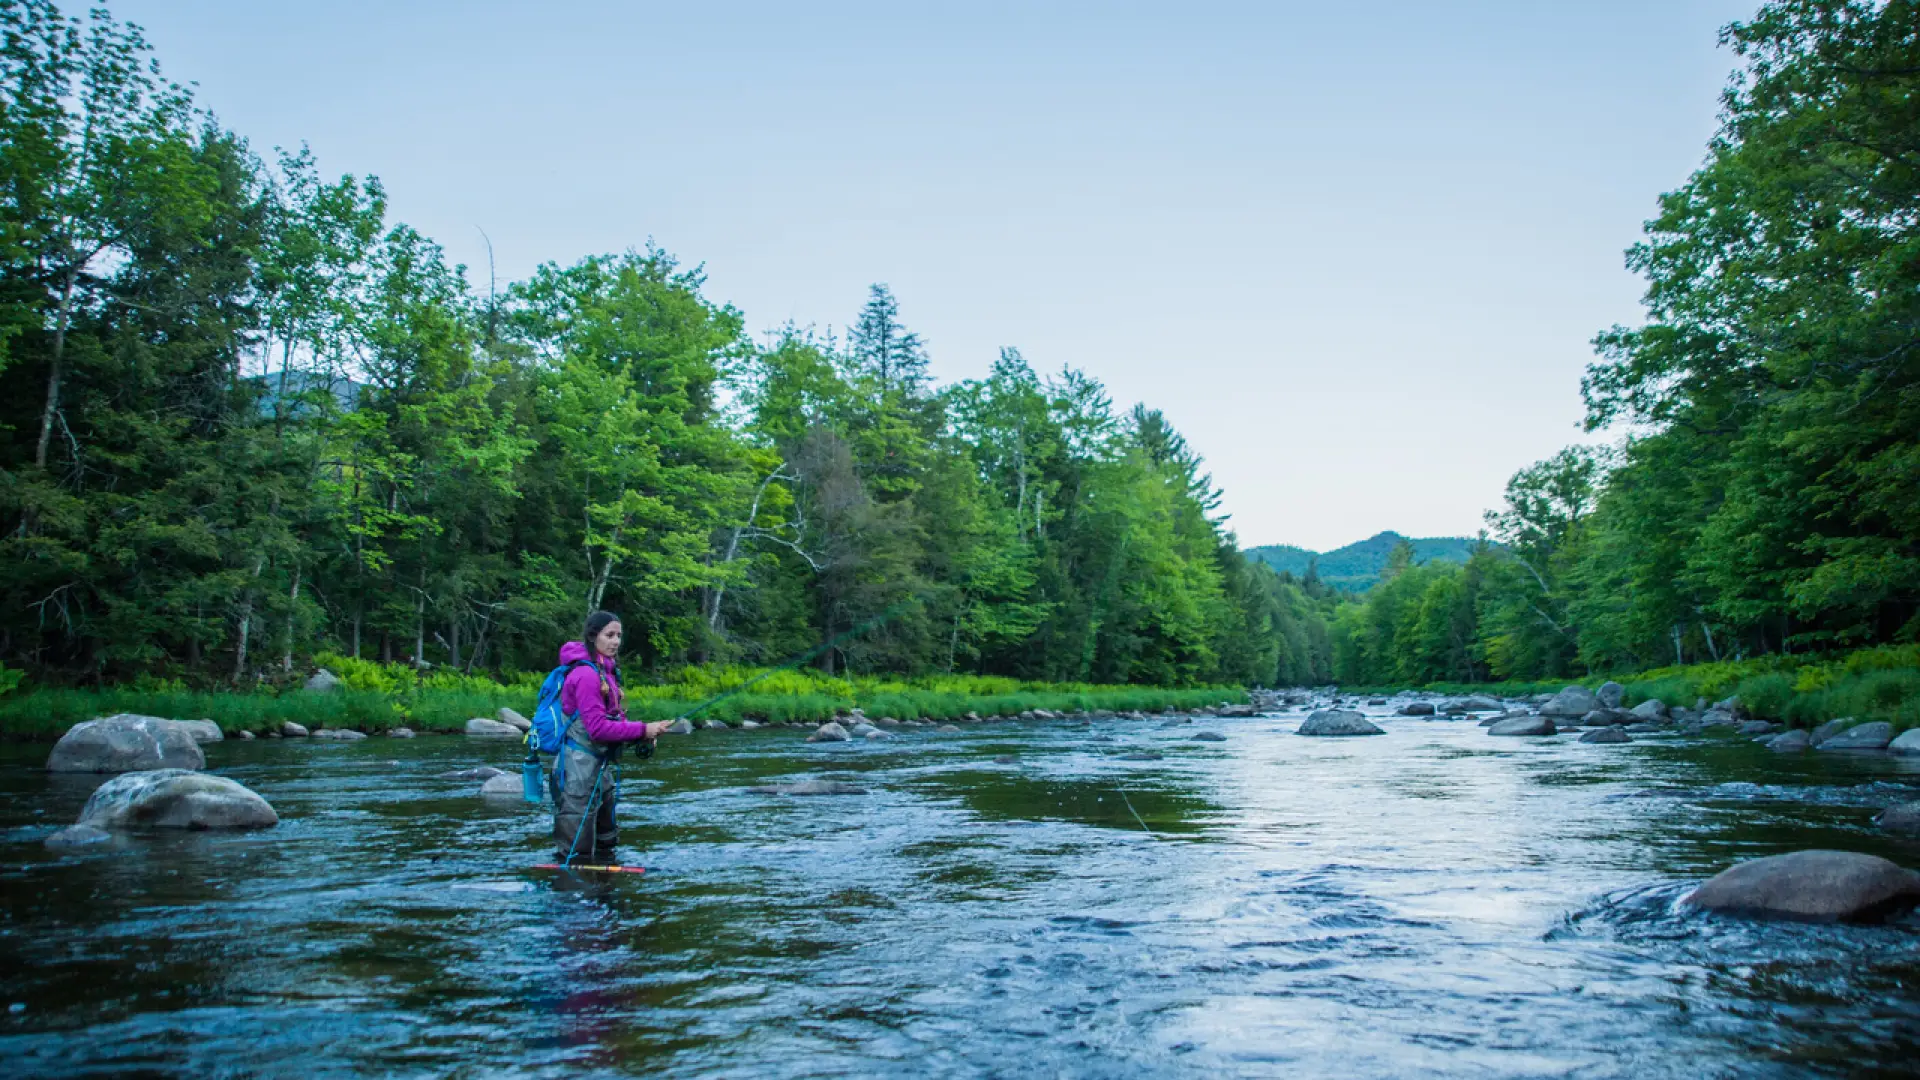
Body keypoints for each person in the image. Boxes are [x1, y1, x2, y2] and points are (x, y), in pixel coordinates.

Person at [552, 611, 674, 864]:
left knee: (607, 843)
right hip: (578, 771)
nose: (615, 641)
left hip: (599, 769)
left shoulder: (606, 671)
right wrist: (643, 729)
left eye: (618, 635)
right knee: (577, 855)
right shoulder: (586, 676)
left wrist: (643, 734)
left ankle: (605, 886)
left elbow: (612, 721)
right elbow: (597, 729)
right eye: (609, 635)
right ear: (593, 636)